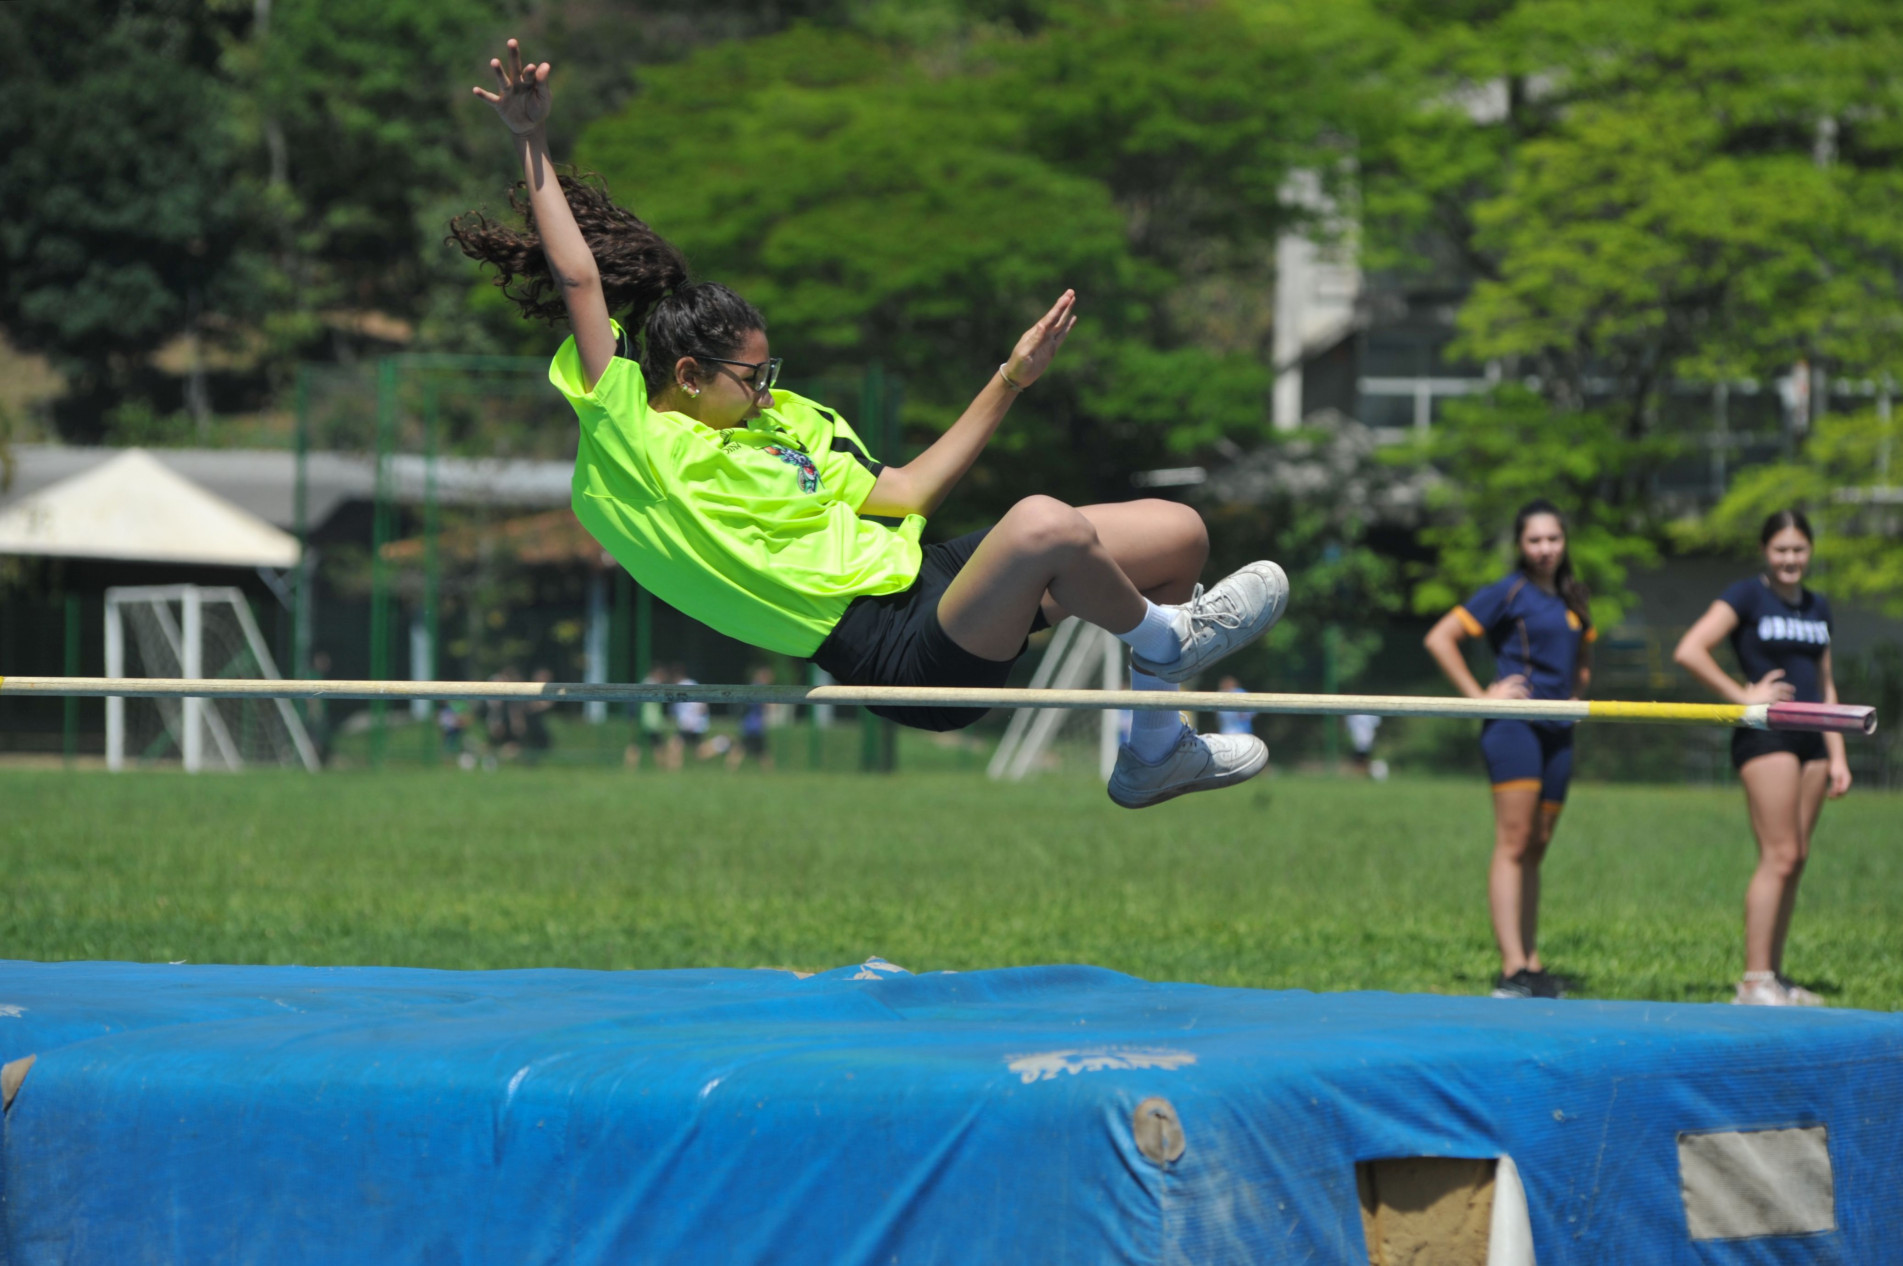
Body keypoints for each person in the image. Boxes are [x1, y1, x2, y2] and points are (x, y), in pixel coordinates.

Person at [457, 41, 1289, 809]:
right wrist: (532, 143)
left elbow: (907, 492)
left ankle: (1153, 752)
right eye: (751, 377)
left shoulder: (788, 421)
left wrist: (1010, 379)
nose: (767, 389)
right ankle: (1166, 639)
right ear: (685, 376)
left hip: (927, 582)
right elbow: (578, 281)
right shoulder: (631, 432)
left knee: (1176, 534)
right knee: (1042, 523)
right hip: (890, 653)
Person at [1672, 510, 1851, 1007]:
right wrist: (1742, 698)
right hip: (1767, 735)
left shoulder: (1818, 606)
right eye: (1781, 550)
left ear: (1810, 551)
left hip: (1815, 738)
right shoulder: (1747, 595)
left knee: (1796, 857)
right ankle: (1753, 980)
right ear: (1764, 552)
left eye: (1798, 549)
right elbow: (1690, 649)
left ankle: (1775, 975)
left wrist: (1838, 752)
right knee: (1779, 854)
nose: (1790, 559)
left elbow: (1827, 684)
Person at [1423, 499, 1595, 1000]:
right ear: (1520, 545)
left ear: (1565, 542)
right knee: (1514, 841)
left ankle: (1532, 962)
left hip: (1559, 729)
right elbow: (1441, 638)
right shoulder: (1508, 592)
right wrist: (1480, 697)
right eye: (1534, 540)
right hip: (1513, 727)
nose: (1545, 549)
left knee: (1537, 846)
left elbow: (1582, 657)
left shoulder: (1575, 597)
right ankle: (1511, 968)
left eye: (1553, 539)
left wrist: (1577, 694)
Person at [730, 665, 777, 771]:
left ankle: (731, 770)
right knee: (760, 750)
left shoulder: (752, 687)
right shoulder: (760, 689)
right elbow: (767, 705)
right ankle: (770, 772)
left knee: (746, 748)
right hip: (755, 725)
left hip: (748, 724)